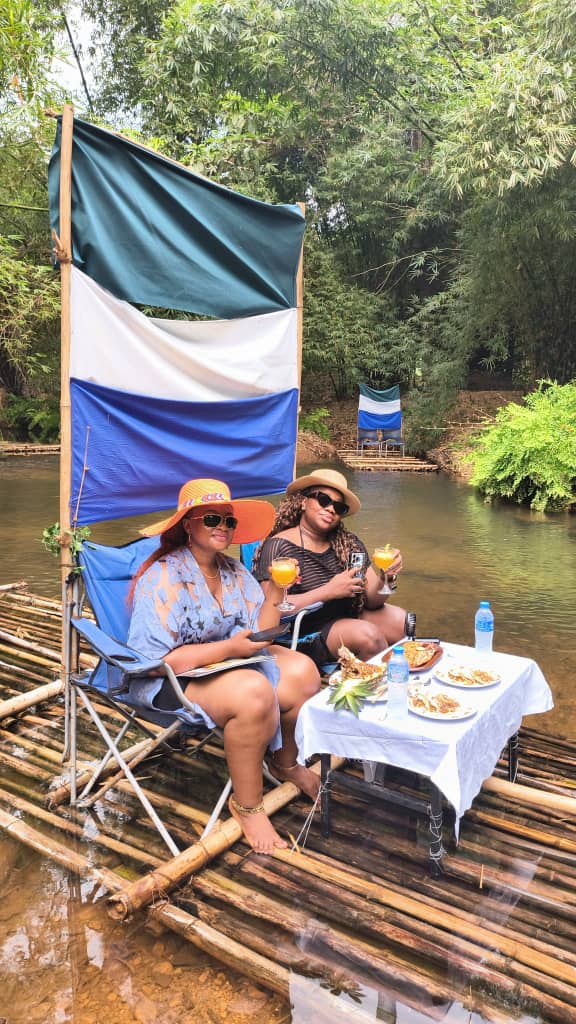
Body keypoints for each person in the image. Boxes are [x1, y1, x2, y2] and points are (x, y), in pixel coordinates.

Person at [127, 478, 321, 854]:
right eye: (212, 518)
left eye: (228, 521)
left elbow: (261, 634)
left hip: (228, 663)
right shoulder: (163, 576)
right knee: (254, 693)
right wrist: (228, 648)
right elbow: (152, 663)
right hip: (171, 678)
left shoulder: (232, 571)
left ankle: (284, 762)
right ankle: (247, 806)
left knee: (304, 671)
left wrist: (278, 592)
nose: (223, 527)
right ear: (188, 524)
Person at [252, 468, 407, 668]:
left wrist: (387, 577)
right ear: (303, 501)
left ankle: (402, 677)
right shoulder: (279, 546)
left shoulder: (348, 544)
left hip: (346, 616)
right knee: (370, 637)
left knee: (402, 621)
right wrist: (328, 591)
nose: (331, 509)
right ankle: (379, 689)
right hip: (306, 630)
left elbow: (372, 601)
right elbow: (271, 608)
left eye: (339, 507)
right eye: (324, 500)